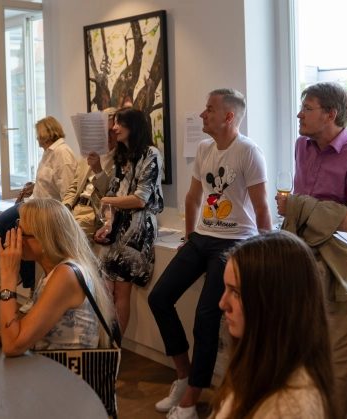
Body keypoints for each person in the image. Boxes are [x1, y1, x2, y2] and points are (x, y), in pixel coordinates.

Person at [148, 89, 271, 419]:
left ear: (229, 117)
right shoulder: (204, 148)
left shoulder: (248, 152)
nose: (202, 114)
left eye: (210, 109)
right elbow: (193, 198)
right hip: (201, 238)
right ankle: (183, 375)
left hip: (235, 243)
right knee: (159, 298)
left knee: (205, 317)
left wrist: (266, 255)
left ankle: (191, 398)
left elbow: (262, 208)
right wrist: (189, 237)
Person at [274, 81, 347, 419]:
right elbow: (307, 208)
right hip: (304, 263)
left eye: (307, 108)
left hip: (345, 272)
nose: (299, 114)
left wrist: (297, 206)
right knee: (303, 357)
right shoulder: (301, 146)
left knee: (336, 363)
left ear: (330, 115)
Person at [210, 231, 333, 419]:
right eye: (226, 288)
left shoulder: (290, 408)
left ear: (275, 303)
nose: (222, 304)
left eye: (236, 292)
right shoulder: (258, 365)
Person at [0, 198, 116, 355]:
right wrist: (0, 336)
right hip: (46, 364)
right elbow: (29, 333)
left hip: (63, 369)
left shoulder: (66, 275)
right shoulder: (55, 271)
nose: (16, 238)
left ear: (44, 239)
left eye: (21, 232)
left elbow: (12, 347)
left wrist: (8, 277)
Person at [0, 116, 77, 313]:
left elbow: (68, 192)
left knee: (8, 225)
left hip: (45, 209)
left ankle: (29, 284)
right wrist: (34, 186)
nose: (37, 140)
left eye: (38, 136)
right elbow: (48, 183)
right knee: (3, 222)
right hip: (34, 202)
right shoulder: (49, 153)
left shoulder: (62, 154)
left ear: (45, 134)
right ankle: (26, 278)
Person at [95, 107, 164, 336]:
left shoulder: (151, 154)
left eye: (119, 123)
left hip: (138, 228)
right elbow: (114, 195)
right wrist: (107, 225)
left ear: (133, 125)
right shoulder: (120, 155)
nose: (114, 128)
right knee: (103, 289)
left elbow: (140, 199)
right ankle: (104, 341)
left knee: (121, 292)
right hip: (117, 226)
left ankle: (114, 346)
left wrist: (108, 200)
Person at [63, 107, 117, 239]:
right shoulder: (89, 153)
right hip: (75, 207)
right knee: (46, 230)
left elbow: (111, 193)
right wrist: (65, 206)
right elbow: (75, 185)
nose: (108, 136)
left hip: (93, 211)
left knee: (64, 240)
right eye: (104, 131)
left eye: (111, 131)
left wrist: (98, 170)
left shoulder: (121, 158)